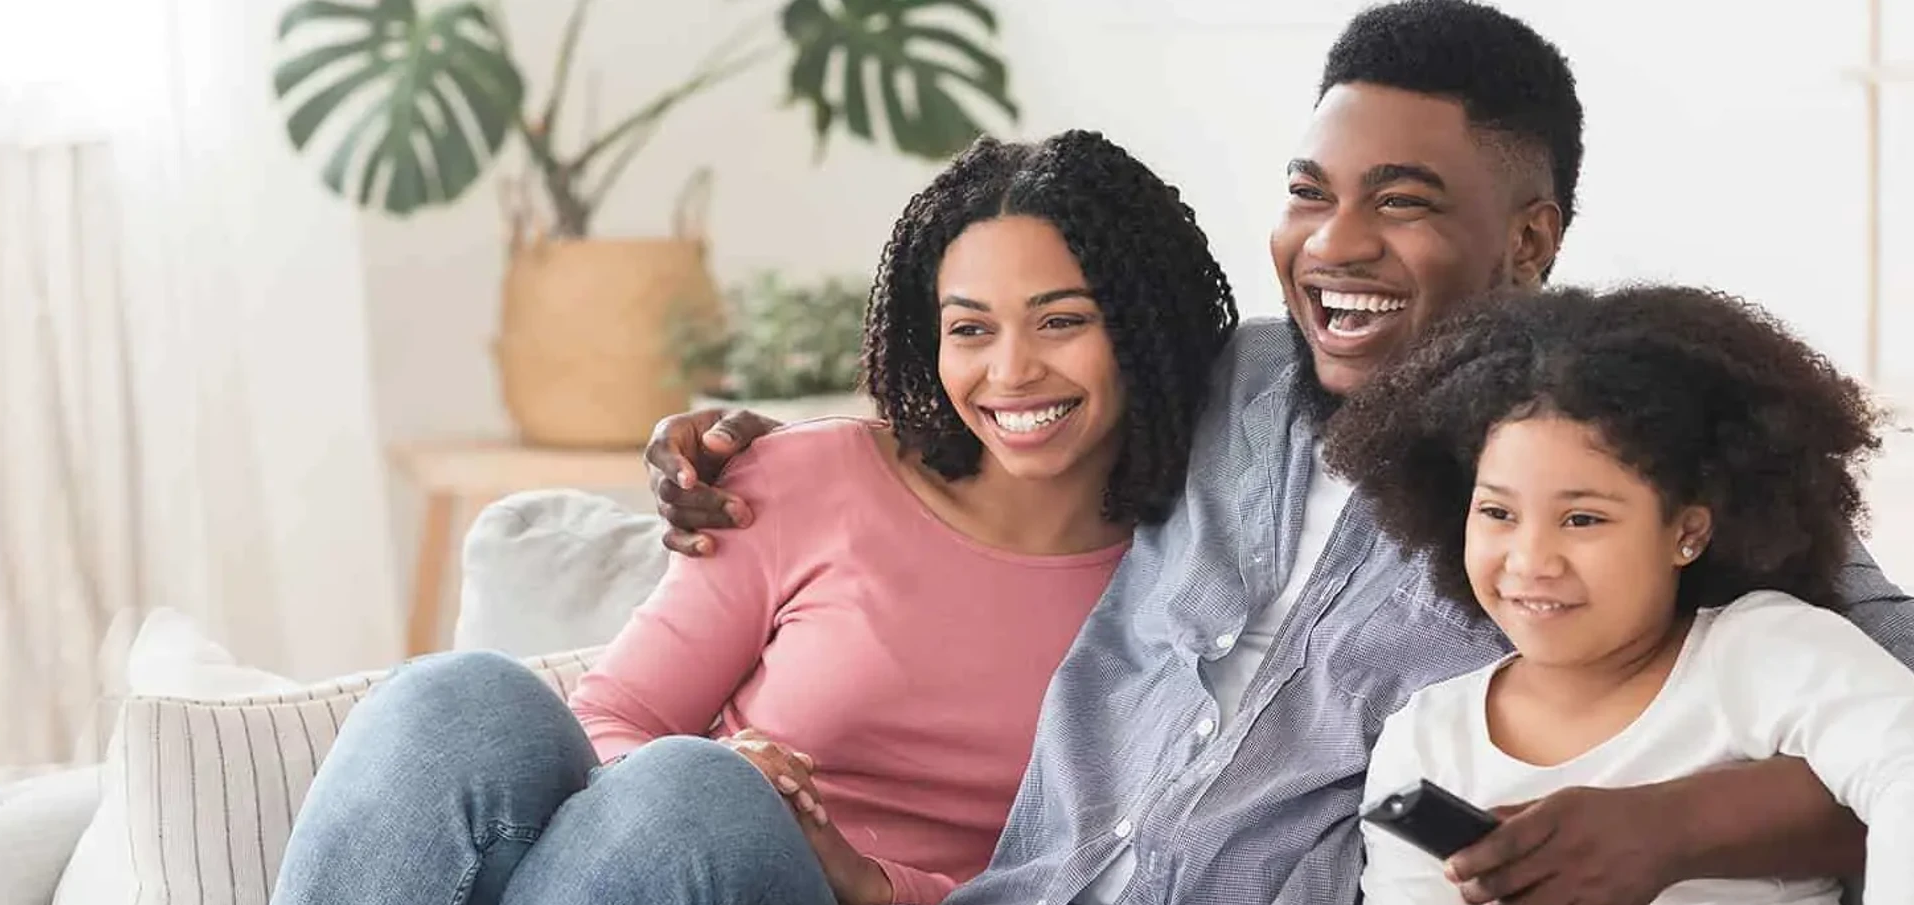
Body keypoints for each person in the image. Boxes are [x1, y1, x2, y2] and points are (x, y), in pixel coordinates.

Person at [640, 2, 1914, 904]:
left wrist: (1671, 826)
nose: (1335, 245)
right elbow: (999, 401)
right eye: (1310, 194)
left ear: (1528, 242)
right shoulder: (1214, 376)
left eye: (1401, 204)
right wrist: (746, 447)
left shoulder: (1606, 461)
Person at [266, 129, 1240, 905]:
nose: (1011, 368)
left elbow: (1118, 872)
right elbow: (614, 717)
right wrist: (740, 774)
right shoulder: (807, 481)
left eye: (1061, 319)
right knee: (462, 697)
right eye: (970, 328)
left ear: (1144, 328)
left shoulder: (1194, 577)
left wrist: (861, 875)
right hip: (656, 867)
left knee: (699, 800)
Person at [1330, 284, 1914, 905]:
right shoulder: (1426, 739)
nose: (1530, 559)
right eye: (1498, 513)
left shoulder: (1762, 654)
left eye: (1583, 518)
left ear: (1687, 530)